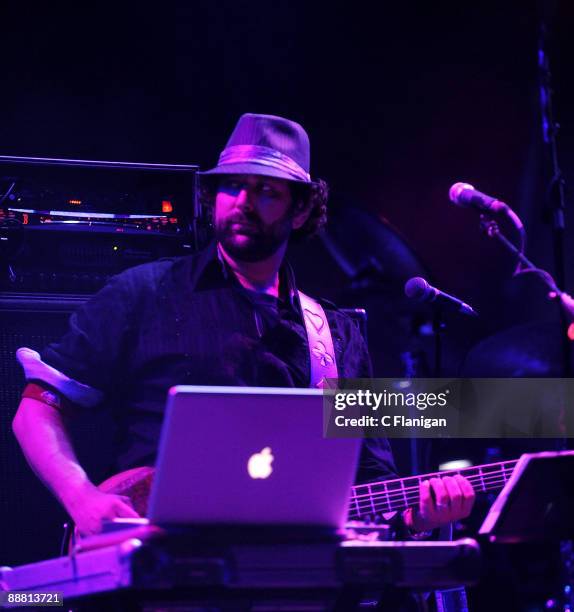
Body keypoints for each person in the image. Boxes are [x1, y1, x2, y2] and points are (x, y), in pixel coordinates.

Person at [12, 113, 474, 537]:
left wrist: (420, 514)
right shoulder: (143, 293)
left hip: (291, 581)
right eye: (232, 187)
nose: (243, 203)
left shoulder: (334, 333)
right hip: (161, 568)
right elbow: (37, 408)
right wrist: (81, 496)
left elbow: (370, 487)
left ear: (301, 210)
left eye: (267, 191)